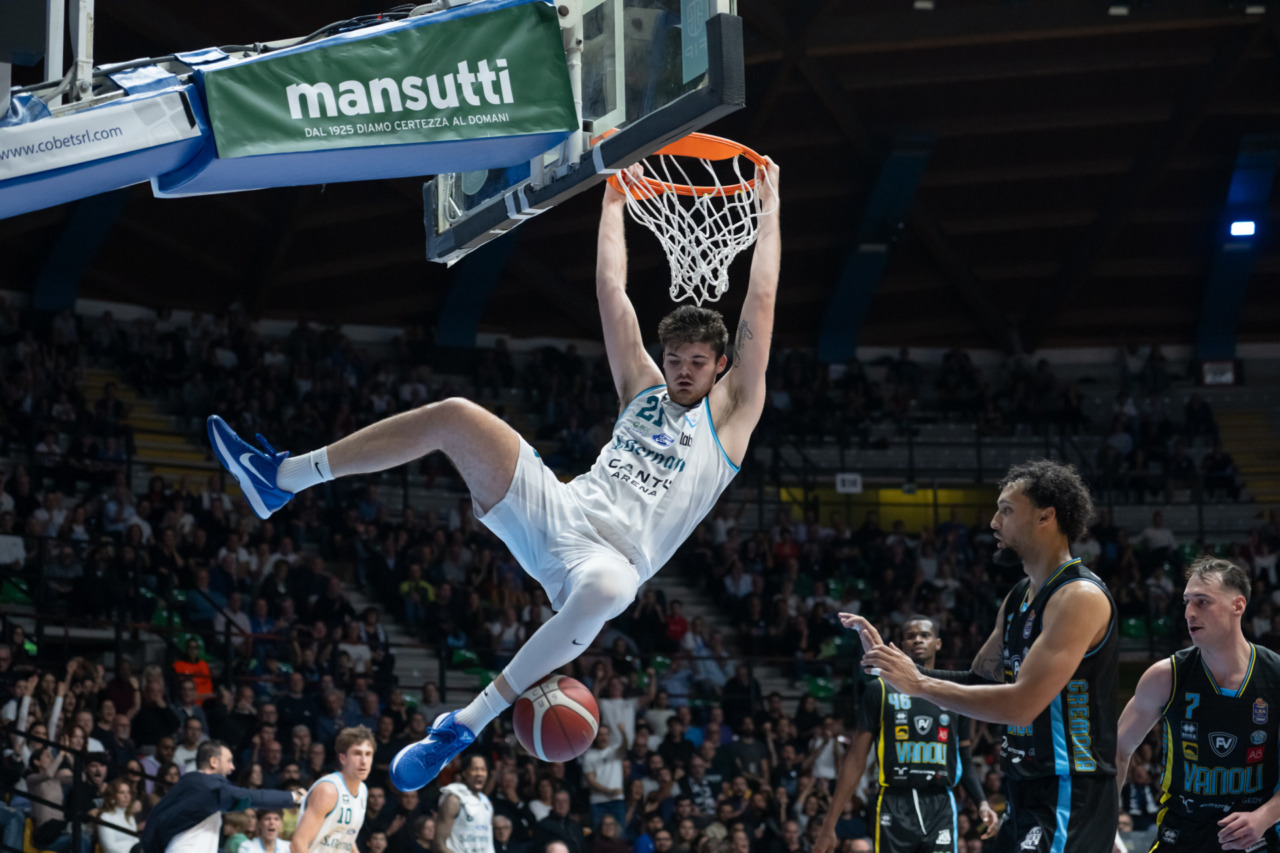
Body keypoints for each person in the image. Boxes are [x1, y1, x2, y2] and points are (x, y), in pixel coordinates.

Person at [207, 159, 782, 793]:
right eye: (673, 358)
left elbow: (760, 303)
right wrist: (614, 197)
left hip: (612, 561)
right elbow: (611, 293)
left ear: (719, 365)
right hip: (558, 511)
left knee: (611, 586)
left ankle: (464, 723)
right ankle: (282, 478)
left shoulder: (731, 417)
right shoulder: (642, 388)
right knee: (455, 415)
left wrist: (770, 210)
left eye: (696, 364)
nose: (680, 371)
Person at [851, 459, 1119, 853]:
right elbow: (980, 682)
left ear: (1046, 516)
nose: (994, 522)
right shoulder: (1017, 598)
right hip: (1024, 790)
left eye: (1007, 510)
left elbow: (1021, 705)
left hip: (1070, 793)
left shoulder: (1079, 597)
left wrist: (920, 684)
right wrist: (903, 669)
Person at [1114, 558, 1280, 853]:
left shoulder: (1275, 674)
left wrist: (1265, 816)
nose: (1190, 613)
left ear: (1237, 606)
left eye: (1202, 602)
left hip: (1253, 836)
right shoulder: (1165, 676)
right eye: (1187, 602)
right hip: (1181, 835)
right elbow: (1117, 750)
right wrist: (1105, 825)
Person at [814, 616, 998, 853]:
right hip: (893, 801)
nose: (917, 640)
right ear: (901, 645)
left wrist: (981, 801)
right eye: (911, 636)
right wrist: (830, 824)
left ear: (938, 643)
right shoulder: (879, 689)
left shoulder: (953, 692)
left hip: (940, 803)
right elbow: (855, 759)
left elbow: (964, 755)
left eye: (924, 635)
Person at [137, 740, 300, 853]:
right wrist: (293, 797)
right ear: (213, 762)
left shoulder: (187, 784)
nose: (232, 767)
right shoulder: (208, 786)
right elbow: (252, 796)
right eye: (228, 761)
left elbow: (154, 824)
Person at [291, 727, 374, 853]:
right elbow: (298, 843)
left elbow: (345, 839)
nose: (364, 761)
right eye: (357, 753)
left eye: (368, 754)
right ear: (343, 758)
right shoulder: (328, 790)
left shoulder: (363, 790)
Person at [436, 754, 494, 853]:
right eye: (475, 769)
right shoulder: (454, 800)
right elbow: (439, 844)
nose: (479, 773)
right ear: (464, 773)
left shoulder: (487, 803)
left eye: (483, 769)